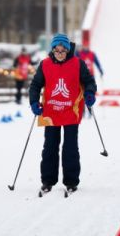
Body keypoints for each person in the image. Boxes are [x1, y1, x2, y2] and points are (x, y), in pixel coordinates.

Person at [28, 33, 97, 195]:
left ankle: (71, 181)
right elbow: (35, 85)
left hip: (71, 110)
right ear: (52, 50)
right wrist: (33, 101)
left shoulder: (78, 63)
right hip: (51, 111)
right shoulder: (45, 64)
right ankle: (48, 180)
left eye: (63, 51)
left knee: (70, 147)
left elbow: (89, 81)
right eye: (56, 51)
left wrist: (90, 93)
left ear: (68, 50)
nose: (59, 54)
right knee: (50, 146)